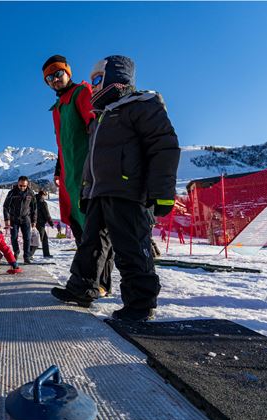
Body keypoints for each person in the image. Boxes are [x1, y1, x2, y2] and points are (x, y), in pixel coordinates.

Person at [51, 55, 180, 322]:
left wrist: (162, 192)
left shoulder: (142, 105)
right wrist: (86, 190)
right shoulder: (102, 116)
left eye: (98, 80)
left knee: (131, 246)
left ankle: (140, 303)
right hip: (100, 191)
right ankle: (83, 286)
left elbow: (163, 147)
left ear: (116, 78)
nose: (93, 87)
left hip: (128, 190)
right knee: (91, 244)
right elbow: (91, 159)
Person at [43, 54, 115, 296]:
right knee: (80, 228)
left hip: (88, 172)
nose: (54, 79)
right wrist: (58, 168)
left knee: (95, 227)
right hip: (69, 178)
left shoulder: (81, 93)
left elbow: (94, 124)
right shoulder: (58, 107)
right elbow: (63, 144)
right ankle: (89, 279)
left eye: (57, 73)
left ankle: (101, 283)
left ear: (68, 72)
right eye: (49, 78)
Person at [3, 176, 37, 264]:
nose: (22, 187)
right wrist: (7, 219)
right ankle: (16, 251)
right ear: (18, 184)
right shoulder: (12, 193)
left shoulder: (30, 193)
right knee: (14, 237)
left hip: (26, 218)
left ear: (27, 185)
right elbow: (6, 207)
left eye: (24, 186)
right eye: (20, 185)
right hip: (14, 218)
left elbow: (34, 208)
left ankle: (26, 256)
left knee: (27, 238)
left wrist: (34, 220)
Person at [34, 190, 54, 258]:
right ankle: (29, 254)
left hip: (33, 222)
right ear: (43, 195)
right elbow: (47, 214)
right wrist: (51, 223)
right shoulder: (42, 202)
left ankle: (46, 254)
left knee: (44, 238)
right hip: (40, 223)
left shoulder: (33, 201)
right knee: (39, 239)